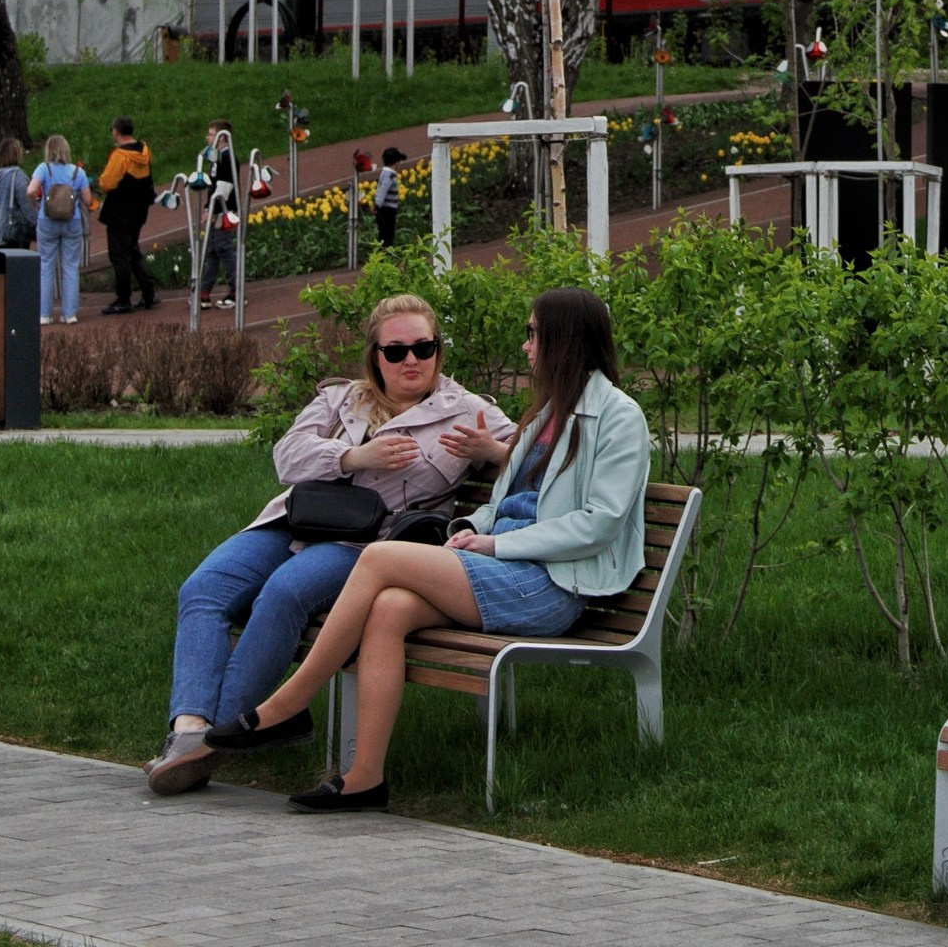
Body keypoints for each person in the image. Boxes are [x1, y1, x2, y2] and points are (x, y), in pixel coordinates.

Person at [205, 286, 652, 812]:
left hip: (553, 582)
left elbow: (599, 523)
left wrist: (497, 543)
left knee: (379, 557)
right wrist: (470, 527)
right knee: (389, 607)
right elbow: (505, 501)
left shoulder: (618, 416)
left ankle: (288, 704)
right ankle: (364, 779)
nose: (526, 345)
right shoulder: (549, 412)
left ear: (565, 339)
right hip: (507, 565)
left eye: (533, 333)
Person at [145, 293, 515, 795]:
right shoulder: (343, 399)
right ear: (375, 356)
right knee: (202, 589)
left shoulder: (466, 410)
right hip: (293, 523)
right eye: (396, 351)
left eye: (424, 348)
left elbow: (537, 456)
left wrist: (492, 450)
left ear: (437, 350)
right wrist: (355, 457)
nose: (411, 360)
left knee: (284, 594)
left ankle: (217, 740)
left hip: (364, 545)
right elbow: (287, 457)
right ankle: (190, 729)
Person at [26, 135, 93, 325]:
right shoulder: (78, 172)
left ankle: (45, 314)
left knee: (46, 266)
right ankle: (69, 314)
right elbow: (88, 200)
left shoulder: (44, 168)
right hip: (72, 221)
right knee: (70, 267)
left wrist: (37, 204)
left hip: (47, 221)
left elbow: (30, 190)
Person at [96, 116, 158, 314]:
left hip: (120, 211)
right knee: (132, 250)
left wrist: (98, 181)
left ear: (116, 131)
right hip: (139, 210)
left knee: (119, 256)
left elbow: (107, 183)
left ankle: (123, 299)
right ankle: (148, 291)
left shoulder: (120, 156)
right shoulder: (144, 151)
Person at [193, 121, 238, 310]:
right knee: (212, 250)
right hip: (215, 208)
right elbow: (213, 186)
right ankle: (204, 292)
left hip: (224, 210)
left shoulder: (227, 158)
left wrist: (215, 210)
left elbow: (224, 188)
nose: (207, 137)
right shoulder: (217, 157)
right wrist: (207, 208)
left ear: (222, 137)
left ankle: (236, 291)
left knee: (224, 249)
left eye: (211, 134)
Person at [0, 137, 35, 252]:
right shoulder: (17, 175)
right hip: (14, 231)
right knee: (18, 262)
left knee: (1, 262)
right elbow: (26, 204)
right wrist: (36, 223)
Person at [373, 146, 405, 249]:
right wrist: (377, 205)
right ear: (396, 162)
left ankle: (384, 251)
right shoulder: (390, 175)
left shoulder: (386, 173)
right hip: (386, 210)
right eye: (399, 161)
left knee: (385, 233)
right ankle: (385, 252)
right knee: (387, 234)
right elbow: (383, 190)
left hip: (386, 208)